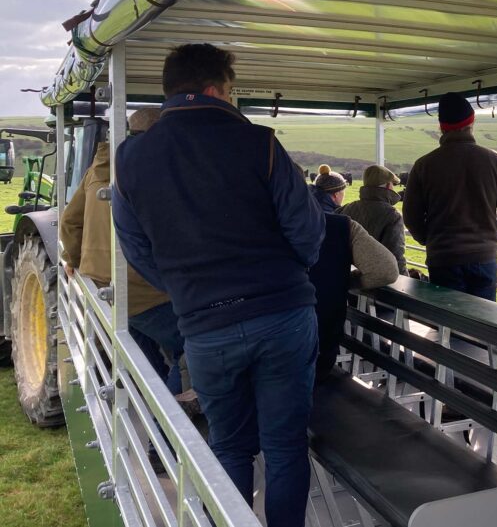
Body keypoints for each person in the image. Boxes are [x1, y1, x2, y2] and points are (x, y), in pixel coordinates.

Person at [112, 43, 325, 527]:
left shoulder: (131, 161)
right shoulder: (262, 144)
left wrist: (189, 288)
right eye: (231, 90)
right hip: (283, 315)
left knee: (229, 446)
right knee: (286, 445)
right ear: (216, 89)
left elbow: (136, 248)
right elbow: (308, 234)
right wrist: (285, 275)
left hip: (206, 327)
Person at [60, 108, 194, 405]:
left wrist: (72, 259)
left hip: (105, 286)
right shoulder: (156, 169)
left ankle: (149, 417)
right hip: (143, 286)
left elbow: (70, 221)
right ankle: (172, 428)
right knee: (196, 340)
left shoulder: (98, 168)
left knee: (144, 361)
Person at [403, 93, 497, 300]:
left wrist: (428, 239)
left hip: (443, 257)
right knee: (483, 322)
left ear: (441, 126)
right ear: (471, 123)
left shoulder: (424, 165)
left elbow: (411, 215)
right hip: (484, 256)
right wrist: (494, 234)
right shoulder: (495, 161)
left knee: (448, 324)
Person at [310, 212, 399, 379]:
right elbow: (385, 270)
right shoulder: (340, 226)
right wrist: (339, 281)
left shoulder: (251, 223)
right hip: (319, 346)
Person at [337, 164, 408, 276]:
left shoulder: (344, 209)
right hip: (377, 281)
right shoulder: (392, 216)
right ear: (388, 186)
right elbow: (396, 259)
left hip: (346, 279)